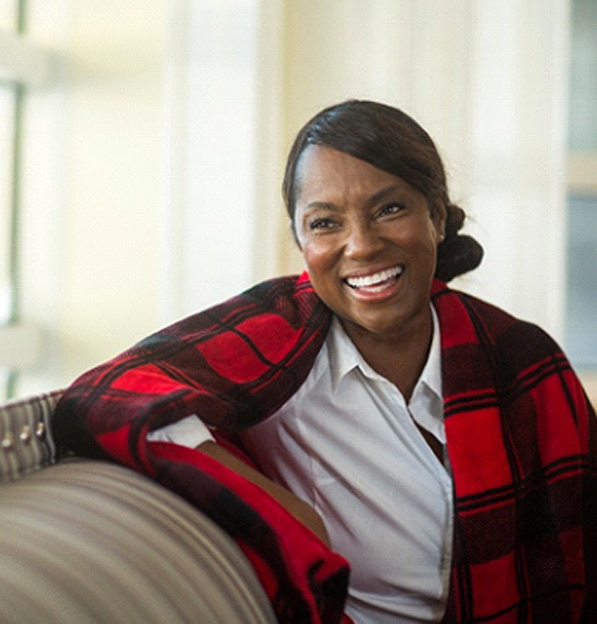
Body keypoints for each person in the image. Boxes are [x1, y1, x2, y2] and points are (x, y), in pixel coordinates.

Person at [54, 100, 596, 623]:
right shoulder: (275, 338)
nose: (360, 246)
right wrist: (271, 505)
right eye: (324, 223)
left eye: (389, 209)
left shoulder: (521, 357)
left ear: (435, 215)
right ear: (299, 239)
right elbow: (106, 396)